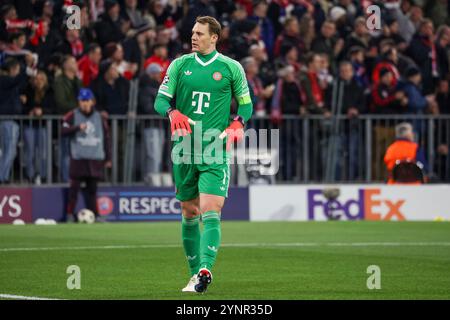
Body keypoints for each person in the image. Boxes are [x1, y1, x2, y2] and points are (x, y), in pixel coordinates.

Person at [154, 16, 253, 293]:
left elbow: (246, 105)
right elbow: (160, 99)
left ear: (214, 37)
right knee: (189, 211)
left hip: (214, 149)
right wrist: (172, 112)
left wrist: (238, 122)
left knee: (212, 210)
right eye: (193, 32)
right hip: (184, 149)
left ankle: (205, 268)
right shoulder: (179, 65)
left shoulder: (232, 68)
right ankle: (193, 273)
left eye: (199, 33)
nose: (193, 37)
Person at [62, 88, 112, 222]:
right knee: (74, 190)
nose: (84, 103)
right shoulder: (72, 115)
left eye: (86, 100)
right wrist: (77, 128)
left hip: (95, 158)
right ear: (78, 102)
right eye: (82, 101)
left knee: (92, 191)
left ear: (92, 102)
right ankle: (69, 215)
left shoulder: (100, 117)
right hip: (78, 158)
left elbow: (106, 137)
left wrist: (108, 157)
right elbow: (63, 130)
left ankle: (96, 215)